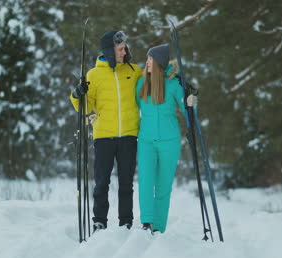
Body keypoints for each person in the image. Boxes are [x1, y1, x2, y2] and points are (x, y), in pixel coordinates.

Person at [70, 30, 142, 232]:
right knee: (102, 182)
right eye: (120, 49)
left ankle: (125, 221)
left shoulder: (134, 71)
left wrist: (172, 76)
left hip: (129, 134)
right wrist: (77, 94)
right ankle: (99, 220)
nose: (124, 51)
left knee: (126, 183)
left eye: (124, 48)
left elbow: (152, 86)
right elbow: (84, 107)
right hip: (104, 137)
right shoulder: (94, 74)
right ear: (110, 51)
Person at [135, 44, 196, 234]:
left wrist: (191, 100)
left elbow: (189, 111)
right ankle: (147, 222)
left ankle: (159, 228)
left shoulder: (174, 84)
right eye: (147, 59)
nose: (147, 63)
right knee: (145, 182)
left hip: (169, 142)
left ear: (159, 63)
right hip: (145, 141)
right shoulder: (141, 84)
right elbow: (133, 108)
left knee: (163, 187)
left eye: (150, 60)